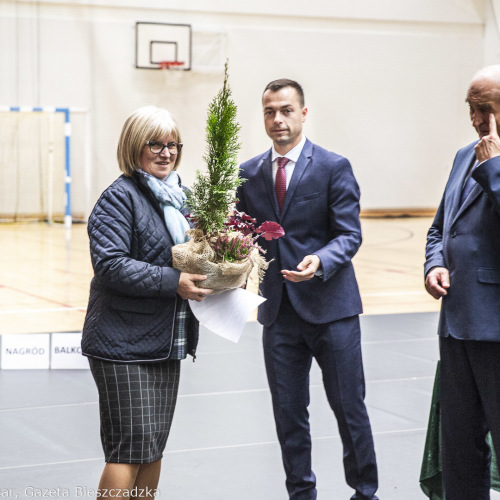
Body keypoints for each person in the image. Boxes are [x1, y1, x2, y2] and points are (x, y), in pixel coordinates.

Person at [236, 79, 379, 500]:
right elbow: (242, 236)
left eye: (285, 110)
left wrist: (322, 262)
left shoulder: (334, 166)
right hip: (277, 314)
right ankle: (301, 493)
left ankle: (365, 492)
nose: (277, 119)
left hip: (331, 310)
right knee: (288, 415)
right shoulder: (248, 173)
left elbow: (349, 235)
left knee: (349, 410)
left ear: (303, 113)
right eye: (269, 112)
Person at [81, 106, 211, 499]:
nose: (166, 152)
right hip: (121, 344)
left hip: (166, 339)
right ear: (134, 146)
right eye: (155, 143)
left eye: (172, 144)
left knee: (152, 448)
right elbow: (111, 265)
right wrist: (174, 282)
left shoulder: (180, 199)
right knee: (128, 450)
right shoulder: (118, 199)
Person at [424, 65, 500, 499]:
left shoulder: (489, 162)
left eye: (484, 109)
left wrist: (496, 169)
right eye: (470, 109)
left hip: (495, 329)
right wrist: (434, 264)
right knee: (459, 448)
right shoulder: (462, 155)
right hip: (455, 324)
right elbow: (440, 227)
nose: (474, 120)